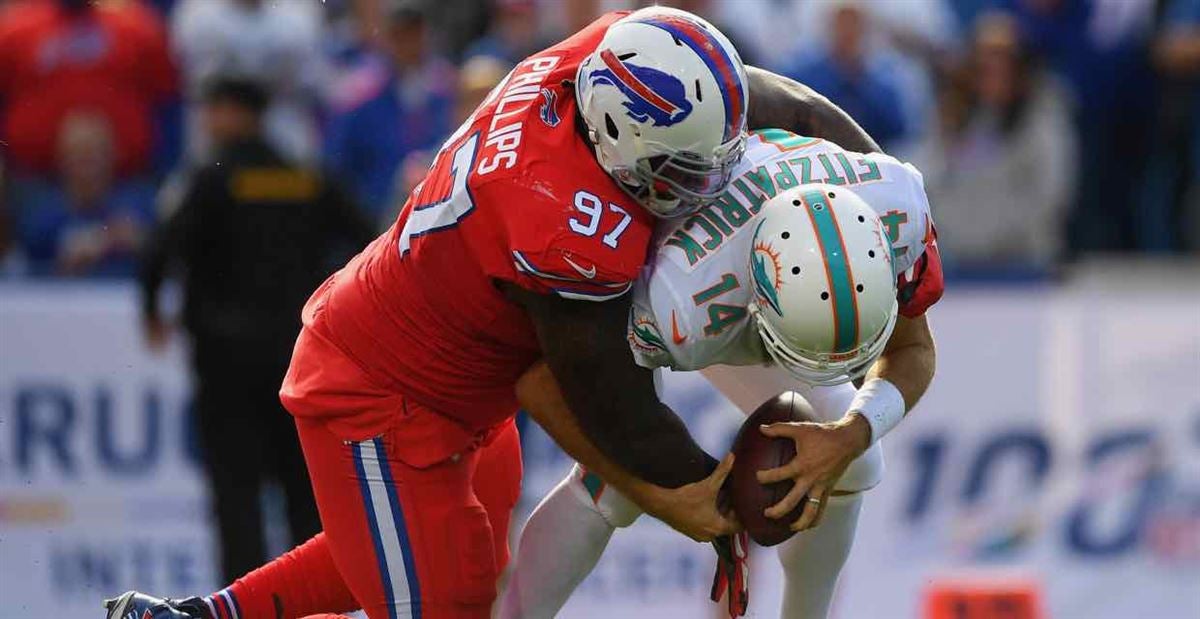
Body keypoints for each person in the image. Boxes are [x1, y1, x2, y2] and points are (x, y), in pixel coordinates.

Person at [105, 7, 884, 619]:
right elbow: (611, 403)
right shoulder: (561, 217)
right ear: (619, 140)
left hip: (470, 385)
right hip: (382, 398)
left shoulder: (611, 57)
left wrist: (866, 171)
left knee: (427, 558)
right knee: (442, 597)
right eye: (683, 166)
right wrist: (713, 499)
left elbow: (770, 95)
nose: (709, 181)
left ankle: (205, 615)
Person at [499, 129, 943, 619]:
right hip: (652, 264)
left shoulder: (896, 205)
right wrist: (657, 491)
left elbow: (914, 348)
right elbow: (536, 380)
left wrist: (851, 435)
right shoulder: (678, 302)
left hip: (738, 244)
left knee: (855, 452)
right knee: (616, 488)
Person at [137, 77, 376, 586]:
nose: (207, 121)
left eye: (215, 109)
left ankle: (242, 603)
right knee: (303, 494)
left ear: (236, 113)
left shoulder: (209, 177)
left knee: (235, 493)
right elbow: (371, 241)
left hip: (226, 364)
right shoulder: (304, 175)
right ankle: (308, 607)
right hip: (298, 361)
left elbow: (162, 248)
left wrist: (152, 308)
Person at [915, 12, 1075, 273]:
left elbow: (1052, 192)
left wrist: (998, 235)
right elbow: (930, 179)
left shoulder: (1043, 116)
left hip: (1024, 259)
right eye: (985, 65)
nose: (994, 73)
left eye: (1003, 63)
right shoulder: (953, 115)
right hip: (959, 259)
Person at [0, 0, 176, 179]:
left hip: (127, 181)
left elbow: (168, 101)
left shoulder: (136, 27)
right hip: (33, 180)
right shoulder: (16, 30)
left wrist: (165, 169)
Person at [323, 0, 456, 219]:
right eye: (400, 35)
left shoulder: (446, 88)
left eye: (414, 33)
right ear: (387, 37)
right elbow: (337, 167)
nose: (408, 43)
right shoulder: (361, 94)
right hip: (374, 221)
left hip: (436, 218)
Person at [11, 111, 156, 277]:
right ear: (61, 157)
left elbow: (160, 245)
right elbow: (28, 266)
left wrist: (141, 240)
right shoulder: (39, 213)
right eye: (78, 153)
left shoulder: (140, 204)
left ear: (114, 154)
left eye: (94, 152)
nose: (86, 164)